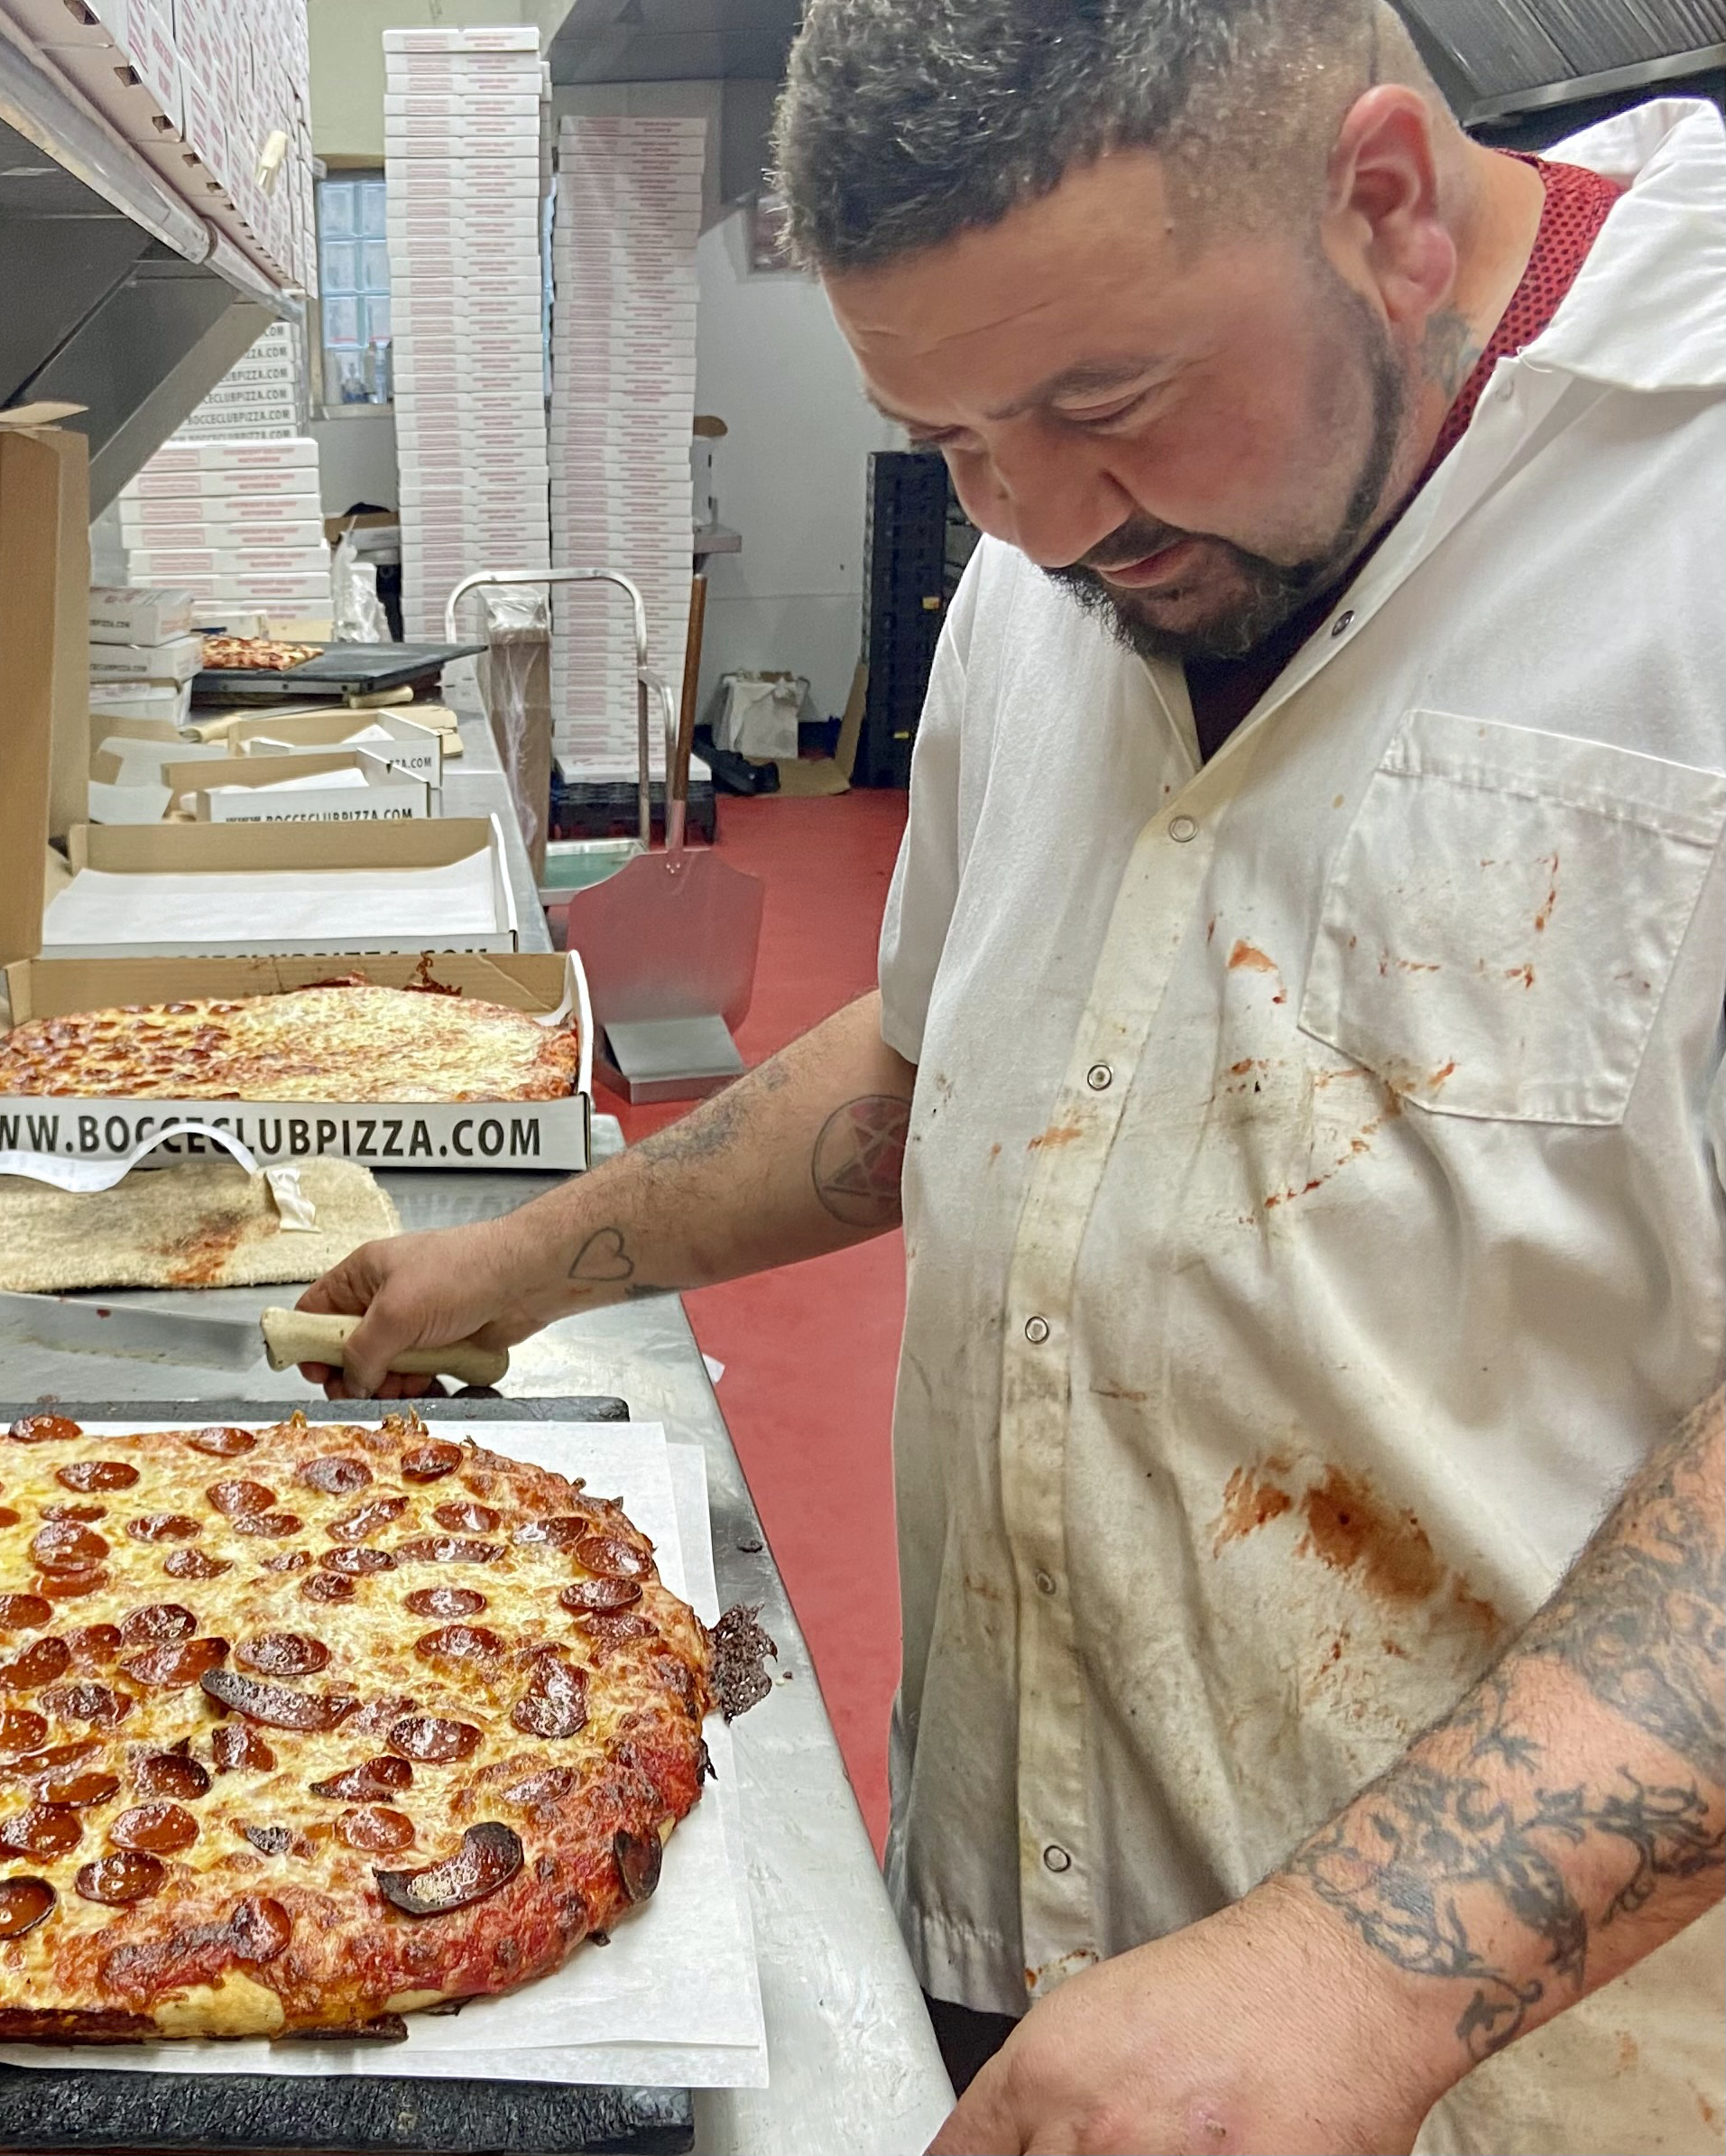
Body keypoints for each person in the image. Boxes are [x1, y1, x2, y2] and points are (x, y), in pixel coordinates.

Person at [294, 4, 1725, 2147]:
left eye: (1103, 402)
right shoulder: (1060, 558)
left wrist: (1358, 1964)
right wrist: (525, 1261)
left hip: (1503, 2055)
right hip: (1015, 1932)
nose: (1040, 524)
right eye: (952, 439)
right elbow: (946, 1051)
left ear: (1388, 207)